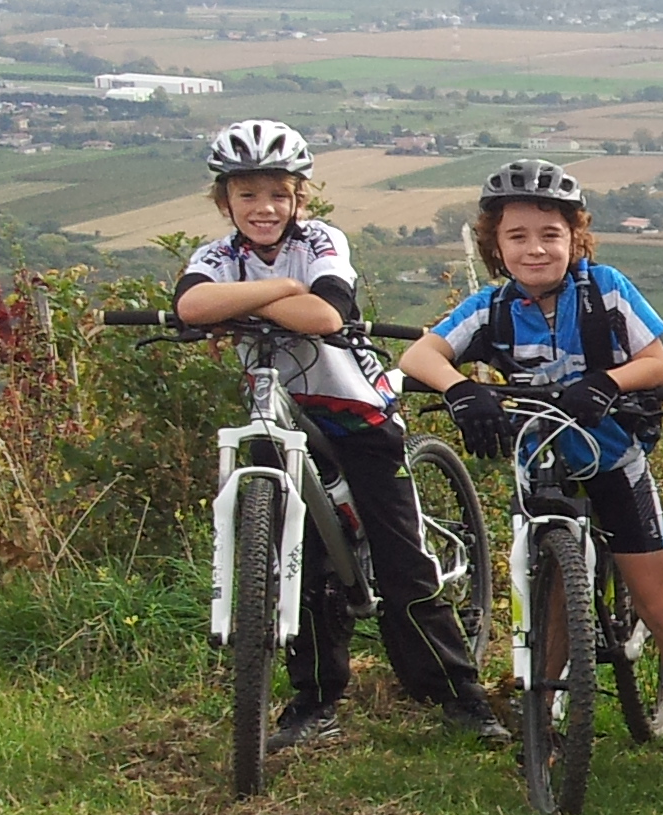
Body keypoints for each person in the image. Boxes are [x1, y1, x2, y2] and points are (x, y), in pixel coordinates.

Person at [172, 119, 503, 752]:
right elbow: (190, 306)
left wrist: (240, 302)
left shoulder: (322, 240)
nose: (263, 208)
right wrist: (280, 292)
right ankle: (314, 700)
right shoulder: (215, 257)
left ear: (299, 198)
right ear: (226, 203)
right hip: (279, 414)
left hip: (356, 411)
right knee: (300, 563)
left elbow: (325, 313)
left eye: (277, 194)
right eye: (247, 196)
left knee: (404, 561)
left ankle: (459, 695)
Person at [401, 161, 663, 776]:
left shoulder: (605, 289)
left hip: (613, 457)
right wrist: (458, 390)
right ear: (495, 245)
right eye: (518, 236)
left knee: (656, 597)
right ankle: (548, 717)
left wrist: (605, 383)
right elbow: (420, 353)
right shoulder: (492, 307)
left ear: (574, 239)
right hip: (540, 461)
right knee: (548, 595)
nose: (536, 248)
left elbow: (657, 364)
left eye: (551, 235)